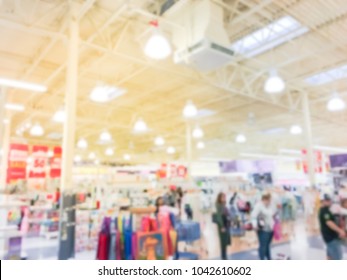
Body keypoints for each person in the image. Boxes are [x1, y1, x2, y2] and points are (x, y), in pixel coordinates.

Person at [318, 194, 346, 260]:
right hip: (331, 237)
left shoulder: (328, 209)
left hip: (330, 237)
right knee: (337, 257)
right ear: (323, 201)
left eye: (329, 200)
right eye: (327, 200)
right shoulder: (324, 211)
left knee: (329, 256)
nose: (329, 202)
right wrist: (340, 231)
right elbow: (329, 222)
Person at [251, 193, 276, 260]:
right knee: (263, 246)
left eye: (270, 200)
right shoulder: (258, 206)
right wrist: (255, 225)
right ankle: (262, 259)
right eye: (268, 200)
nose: (270, 201)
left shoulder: (270, 206)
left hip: (270, 229)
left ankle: (268, 258)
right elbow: (253, 216)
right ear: (265, 199)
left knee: (267, 245)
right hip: (262, 230)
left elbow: (272, 214)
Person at [215, 192, 231, 260]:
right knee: (223, 242)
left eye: (225, 197)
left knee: (225, 242)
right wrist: (222, 226)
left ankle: (224, 255)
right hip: (222, 226)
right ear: (219, 198)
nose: (224, 198)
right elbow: (219, 217)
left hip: (226, 225)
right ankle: (223, 257)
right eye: (223, 197)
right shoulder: (219, 206)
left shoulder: (223, 205)